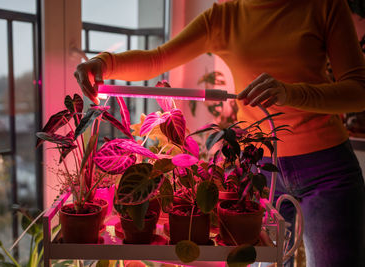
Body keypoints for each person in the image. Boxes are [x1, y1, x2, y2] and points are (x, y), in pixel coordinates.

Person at [74, 0, 365, 266]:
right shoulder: (224, 16)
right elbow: (157, 59)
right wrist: (103, 63)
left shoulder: (325, 5)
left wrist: (290, 93)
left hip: (327, 169)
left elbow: (358, 90)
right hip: (260, 171)